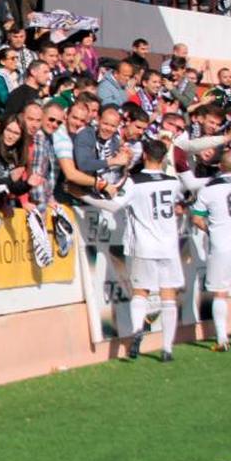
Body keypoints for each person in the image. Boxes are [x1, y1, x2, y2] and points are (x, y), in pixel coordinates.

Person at [79, 138, 184, 361]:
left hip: (144, 245)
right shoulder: (172, 182)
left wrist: (85, 197)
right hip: (169, 246)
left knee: (140, 291)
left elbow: (115, 205)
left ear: (144, 155)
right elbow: (182, 203)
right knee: (168, 295)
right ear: (163, 158)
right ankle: (167, 349)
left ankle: (137, 329)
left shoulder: (134, 182)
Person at [190, 151, 231, 352]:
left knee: (220, 292)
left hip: (221, 245)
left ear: (219, 167)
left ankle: (221, 339)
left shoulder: (207, 190)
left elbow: (196, 218)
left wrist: (209, 229)